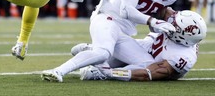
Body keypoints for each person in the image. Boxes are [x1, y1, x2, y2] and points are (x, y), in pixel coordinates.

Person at [41, 0, 183, 82]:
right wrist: (155, 21)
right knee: (103, 53)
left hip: (124, 32)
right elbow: (126, 10)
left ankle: (102, 70)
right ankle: (58, 71)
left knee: (147, 64)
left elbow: (153, 23)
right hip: (107, 18)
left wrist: (165, 25)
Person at [77, 9, 207, 81]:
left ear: (181, 36)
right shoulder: (182, 30)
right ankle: (95, 52)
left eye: (175, 25)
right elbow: (163, 9)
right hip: (147, 45)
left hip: (150, 62)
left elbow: (147, 74)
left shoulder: (182, 57)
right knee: (113, 44)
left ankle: (102, 72)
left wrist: (111, 73)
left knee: (142, 65)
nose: (171, 21)